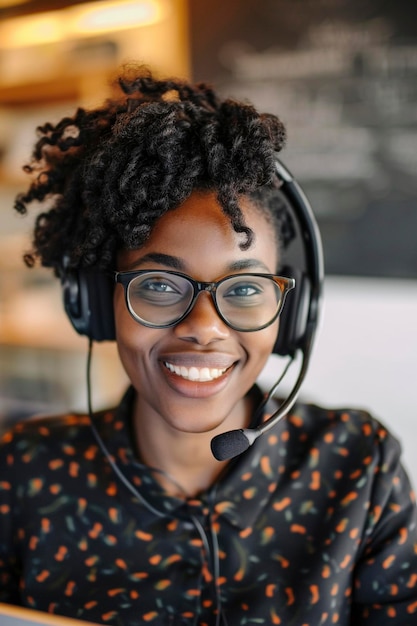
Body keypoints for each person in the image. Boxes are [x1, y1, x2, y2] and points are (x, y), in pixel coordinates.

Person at [0, 65, 416, 626]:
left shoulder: (357, 466)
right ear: (99, 304)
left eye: (244, 287)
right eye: (159, 285)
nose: (204, 326)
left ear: (289, 312)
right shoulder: (24, 472)